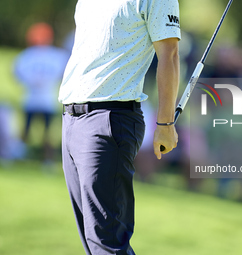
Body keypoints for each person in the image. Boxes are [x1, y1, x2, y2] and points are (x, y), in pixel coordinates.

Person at [58, 0, 180, 254]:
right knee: (92, 240)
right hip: (71, 118)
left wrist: (166, 123)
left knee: (107, 243)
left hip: (108, 119)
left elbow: (169, 55)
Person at [14, 23, 69, 161]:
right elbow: (63, 72)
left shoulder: (27, 55)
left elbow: (16, 72)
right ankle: (42, 159)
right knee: (44, 131)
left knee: (37, 131)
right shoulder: (56, 55)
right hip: (45, 99)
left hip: (35, 98)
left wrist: (31, 81)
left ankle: (24, 156)